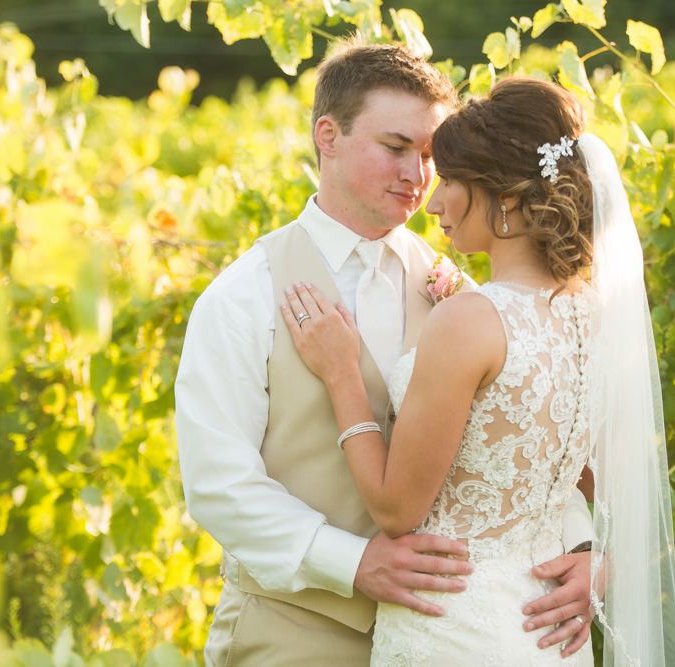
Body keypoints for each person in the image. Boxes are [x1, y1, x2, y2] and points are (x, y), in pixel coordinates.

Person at [175, 42, 597, 667]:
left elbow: (517, 440)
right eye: (397, 148)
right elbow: (218, 485)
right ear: (329, 135)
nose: (418, 176)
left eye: (430, 156)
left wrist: (584, 550)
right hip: (295, 634)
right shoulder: (243, 295)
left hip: (453, 635)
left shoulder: (460, 289)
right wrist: (353, 564)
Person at [278, 77, 675, 666]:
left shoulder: (470, 319)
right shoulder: (592, 315)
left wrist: (342, 374)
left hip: (451, 630)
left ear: (509, 197)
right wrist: (603, 561)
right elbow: (620, 489)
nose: (434, 199)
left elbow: (397, 511)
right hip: (549, 636)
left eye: (450, 181)